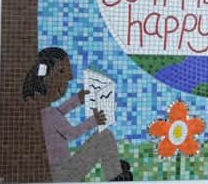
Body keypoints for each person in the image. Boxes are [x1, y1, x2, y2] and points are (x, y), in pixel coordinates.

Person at [22, 47, 132, 182]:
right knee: (104, 136)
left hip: (56, 171)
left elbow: (58, 112)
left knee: (103, 139)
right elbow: (71, 134)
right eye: (62, 71)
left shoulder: (43, 111)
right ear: (44, 80)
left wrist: (76, 100)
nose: (70, 77)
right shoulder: (50, 114)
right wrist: (94, 121)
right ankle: (115, 176)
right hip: (63, 175)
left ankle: (114, 166)